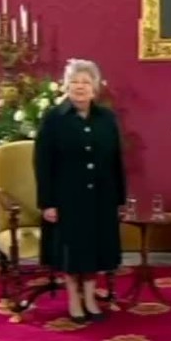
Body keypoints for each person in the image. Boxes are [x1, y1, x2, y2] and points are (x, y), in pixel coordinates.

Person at [34, 59, 127, 324]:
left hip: (101, 197)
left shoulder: (107, 118)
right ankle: (74, 300)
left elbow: (116, 160)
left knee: (94, 250)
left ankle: (90, 298)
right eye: (74, 81)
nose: (80, 86)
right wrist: (47, 203)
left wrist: (119, 199)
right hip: (67, 199)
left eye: (85, 82)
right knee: (72, 252)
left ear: (94, 87)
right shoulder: (53, 119)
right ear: (66, 86)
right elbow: (42, 163)